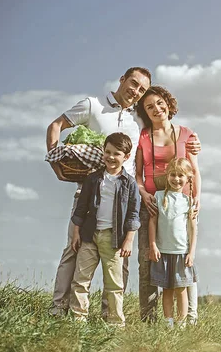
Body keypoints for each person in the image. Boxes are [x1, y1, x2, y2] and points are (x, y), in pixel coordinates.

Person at [46, 66, 151, 317]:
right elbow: (56, 124)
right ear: (122, 79)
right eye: (133, 84)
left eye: (142, 90)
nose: (136, 91)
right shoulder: (93, 105)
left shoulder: (137, 120)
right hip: (90, 195)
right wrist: (53, 160)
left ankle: (109, 316)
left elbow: (162, 128)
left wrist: (191, 144)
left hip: (122, 201)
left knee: (119, 261)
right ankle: (59, 310)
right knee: (74, 251)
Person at [135, 86, 201, 323]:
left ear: (168, 103)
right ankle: (151, 319)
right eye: (149, 106)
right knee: (150, 262)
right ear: (144, 112)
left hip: (182, 204)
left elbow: (194, 170)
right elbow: (138, 173)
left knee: (185, 263)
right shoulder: (142, 136)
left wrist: (197, 199)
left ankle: (189, 318)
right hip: (153, 204)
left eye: (159, 103)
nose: (156, 109)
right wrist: (143, 193)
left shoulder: (185, 134)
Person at [69, 132, 141, 325]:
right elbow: (81, 209)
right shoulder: (92, 179)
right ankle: (78, 320)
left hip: (114, 238)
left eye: (116, 153)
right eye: (107, 152)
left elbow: (134, 213)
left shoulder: (129, 183)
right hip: (89, 236)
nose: (110, 157)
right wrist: (76, 234)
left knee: (114, 284)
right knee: (80, 280)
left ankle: (115, 323)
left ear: (126, 157)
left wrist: (129, 240)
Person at [148, 158, 198, 328]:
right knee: (166, 289)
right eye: (173, 175)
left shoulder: (189, 201)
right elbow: (152, 222)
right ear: (167, 176)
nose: (177, 179)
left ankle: (181, 323)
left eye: (181, 176)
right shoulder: (159, 196)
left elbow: (192, 229)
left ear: (188, 178)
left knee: (181, 289)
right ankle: (168, 322)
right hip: (163, 251)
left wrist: (191, 252)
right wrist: (153, 245)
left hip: (181, 252)